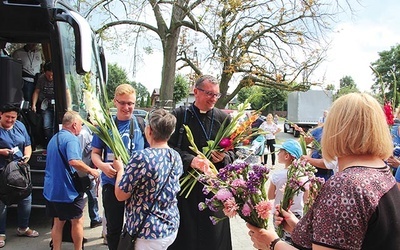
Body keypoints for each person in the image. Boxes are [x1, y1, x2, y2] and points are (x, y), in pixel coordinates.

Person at [247, 93, 400, 250]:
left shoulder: (346, 186)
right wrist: (299, 229)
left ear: (336, 131)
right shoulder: (382, 172)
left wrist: (272, 244)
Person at [168, 75, 236, 250]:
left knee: (213, 239)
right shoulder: (179, 116)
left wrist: (224, 158)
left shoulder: (223, 119)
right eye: (209, 94)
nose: (213, 99)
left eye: (216, 95)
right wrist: (190, 160)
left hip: (213, 191)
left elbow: (234, 152)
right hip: (186, 190)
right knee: (186, 238)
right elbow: (166, 148)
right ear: (196, 92)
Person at [114, 109, 183, 250]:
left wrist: (120, 169)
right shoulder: (176, 156)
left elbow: (121, 195)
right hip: (169, 227)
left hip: (147, 232)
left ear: (149, 130)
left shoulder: (142, 157)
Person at [91, 84, 146, 250]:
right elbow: (95, 153)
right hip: (112, 184)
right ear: (115, 102)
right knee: (114, 227)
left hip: (136, 186)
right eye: (122, 103)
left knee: (136, 227)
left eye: (131, 103)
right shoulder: (105, 126)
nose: (127, 107)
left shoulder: (141, 125)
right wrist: (103, 166)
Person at [43, 111, 99, 250]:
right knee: (77, 221)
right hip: (67, 191)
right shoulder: (72, 139)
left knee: (57, 222)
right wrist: (91, 170)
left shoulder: (54, 138)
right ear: (74, 125)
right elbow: (74, 161)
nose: (81, 128)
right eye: (80, 124)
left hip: (51, 189)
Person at [0, 104, 39, 248]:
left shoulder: (20, 126)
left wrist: (27, 156)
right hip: (2, 170)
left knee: (26, 198)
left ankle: (23, 227)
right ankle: (1, 233)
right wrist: (1, 152)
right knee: (2, 203)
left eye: (13, 117)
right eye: (7, 117)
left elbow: (27, 144)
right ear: (1, 114)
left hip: (19, 169)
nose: (10, 120)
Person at [267, 139, 307, 244]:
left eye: (280, 151)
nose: (278, 153)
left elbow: (270, 196)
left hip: (279, 215)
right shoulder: (304, 176)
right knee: (294, 243)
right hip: (297, 215)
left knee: (280, 242)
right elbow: (306, 199)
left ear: (286, 156)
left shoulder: (276, 176)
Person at [77, 123, 102, 228]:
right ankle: (93, 218)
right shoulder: (83, 134)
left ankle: (95, 218)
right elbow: (78, 154)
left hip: (91, 170)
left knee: (93, 195)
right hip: (84, 171)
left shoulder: (93, 133)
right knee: (89, 195)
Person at [31, 61, 54, 147]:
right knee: (47, 126)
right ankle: (49, 144)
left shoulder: (60, 77)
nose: (50, 77)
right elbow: (36, 92)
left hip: (57, 104)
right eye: (48, 75)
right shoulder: (41, 79)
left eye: (52, 75)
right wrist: (33, 104)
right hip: (46, 104)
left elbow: (66, 93)